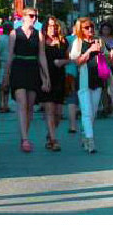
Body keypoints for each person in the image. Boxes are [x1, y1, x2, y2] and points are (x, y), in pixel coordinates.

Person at [1, 9, 50, 152]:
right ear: (24, 17)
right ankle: (24, 139)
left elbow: (42, 55)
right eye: (31, 16)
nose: (34, 18)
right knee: (22, 103)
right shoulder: (14, 33)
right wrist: (6, 76)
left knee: (30, 105)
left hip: (33, 68)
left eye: (36, 16)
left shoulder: (38, 34)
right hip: (19, 68)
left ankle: (25, 134)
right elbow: (10, 55)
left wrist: (46, 77)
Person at [69, 17, 104, 153]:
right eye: (87, 27)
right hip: (84, 81)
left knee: (93, 112)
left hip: (97, 80)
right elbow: (77, 61)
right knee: (86, 111)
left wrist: (108, 55)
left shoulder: (98, 41)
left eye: (91, 27)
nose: (90, 30)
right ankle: (90, 140)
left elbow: (107, 59)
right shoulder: (78, 42)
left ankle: (85, 134)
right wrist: (90, 50)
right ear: (81, 29)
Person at [41, 16, 70, 151]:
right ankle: (53, 140)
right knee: (49, 110)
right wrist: (44, 79)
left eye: (54, 26)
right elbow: (39, 61)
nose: (52, 29)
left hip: (59, 77)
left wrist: (63, 62)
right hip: (46, 77)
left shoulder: (63, 42)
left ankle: (50, 134)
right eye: (50, 26)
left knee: (58, 113)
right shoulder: (42, 42)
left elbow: (69, 58)